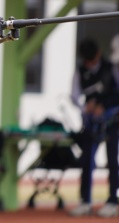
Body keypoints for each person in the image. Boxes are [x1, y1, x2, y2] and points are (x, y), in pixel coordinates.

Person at [69, 38, 119, 218]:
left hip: (112, 121)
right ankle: (85, 201)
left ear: (99, 54)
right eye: (87, 61)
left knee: (113, 161)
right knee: (87, 160)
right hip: (91, 123)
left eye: (93, 60)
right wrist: (86, 108)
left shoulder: (111, 66)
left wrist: (104, 107)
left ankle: (113, 200)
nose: (91, 64)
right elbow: (74, 95)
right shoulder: (80, 70)